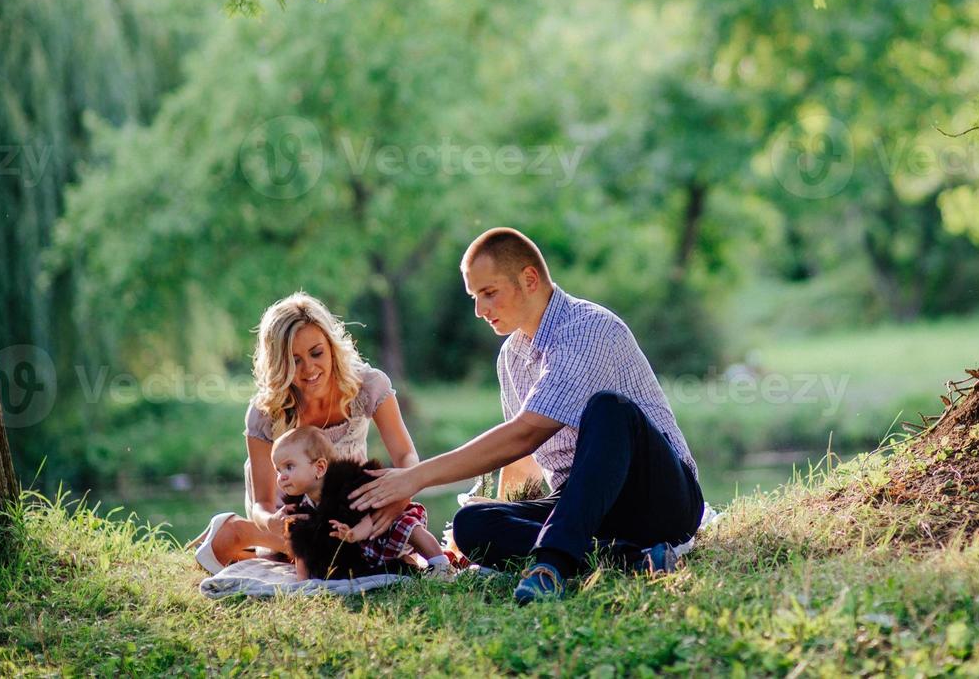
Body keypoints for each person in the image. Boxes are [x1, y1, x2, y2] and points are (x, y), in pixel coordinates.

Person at [354, 227, 704, 604]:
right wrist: (497, 512)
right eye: (474, 297)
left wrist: (413, 479)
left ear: (530, 279)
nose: (480, 310)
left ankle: (550, 566)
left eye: (489, 293)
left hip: (660, 498)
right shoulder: (511, 358)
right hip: (584, 508)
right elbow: (521, 456)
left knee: (609, 409)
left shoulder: (588, 329)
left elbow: (526, 433)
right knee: (472, 523)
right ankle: (630, 558)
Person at [188, 292, 422, 572]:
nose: (309, 368)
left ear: (332, 347)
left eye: (316, 353)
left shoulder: (368, 386)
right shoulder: (266, 412)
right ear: (279, 363)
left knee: (383, 538)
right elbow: (263, 502)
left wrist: (400, 498)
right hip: (292, 509)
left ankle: (261, 542)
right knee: (315, 554)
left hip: (342, 503)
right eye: (294, 360)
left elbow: (406, 455)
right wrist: (269, 521)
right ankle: (240, 531)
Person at [271, 426, 449, 579]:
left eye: (289, 467)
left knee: (405, 525)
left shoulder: (347, 487)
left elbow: (365, 517)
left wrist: (354, 534)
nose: (282, 477)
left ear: (319, 467)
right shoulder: (299, 507)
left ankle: (439, 562)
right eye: (278, 470)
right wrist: (303, 582)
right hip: (360, 553)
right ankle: (403, 564)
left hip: (379, 527)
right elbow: (302, 547)